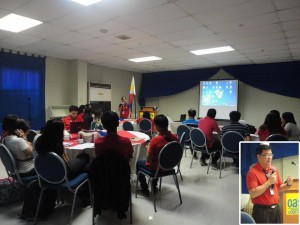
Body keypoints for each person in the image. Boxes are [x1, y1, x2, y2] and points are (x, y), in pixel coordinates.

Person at [34, 119, 90, 207]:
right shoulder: (56, 145)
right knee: (85, 156)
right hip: (62, 175)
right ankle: (85, 196)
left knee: (87, 167)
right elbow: (66, 162)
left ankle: (83, 196)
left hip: (45, 175)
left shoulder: (39, 141)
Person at [246, 144, 293, 223]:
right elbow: (253, 193)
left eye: (271, 155)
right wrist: (269, 182)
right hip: (261, 211)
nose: (270, 157)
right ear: (258, 157)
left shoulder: (274, 169)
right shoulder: (252, 172)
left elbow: (279, 187)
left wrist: (288, 184)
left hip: (276, 209)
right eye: (266, 155)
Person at [136, 114, 178, 196]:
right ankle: (154, 186)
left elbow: (148, 160)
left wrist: (148, 148)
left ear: (158, 126)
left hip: (158, 169)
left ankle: (144, 189)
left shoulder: (155, 140)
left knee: (139, 163)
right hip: (170, 166)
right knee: (158, 159)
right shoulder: (175, 138)